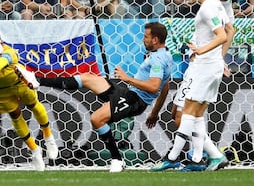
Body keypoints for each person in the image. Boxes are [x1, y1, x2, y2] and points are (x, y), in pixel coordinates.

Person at [16, 22, 173, 172]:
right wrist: (154, 113)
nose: (143, 39)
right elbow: (164, 87)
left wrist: (127, 78)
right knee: (87, 78)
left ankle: (117, 159)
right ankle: (37, 79)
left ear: (155, 39)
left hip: (135, 100)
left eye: (146, 37)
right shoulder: (166, 55)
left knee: (96, 119)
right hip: (129, 94)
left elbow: (153, 86)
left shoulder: (157, 59)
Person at [152, 0, 228, 172]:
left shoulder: (207, 8)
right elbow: (230, 31)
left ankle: (173, 156)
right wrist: (220, 59)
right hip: (212, 66)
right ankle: (197, 159)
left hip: (204, 66)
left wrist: (201, 50)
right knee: (196, 114)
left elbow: (222, 35)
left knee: (187, 111)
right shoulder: (217, 5)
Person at [0, 28, 58, 171]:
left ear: (0, 42)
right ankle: (35, 151)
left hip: (19, 83)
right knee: (15, 115)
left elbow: (2, 62)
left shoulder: (9, 52)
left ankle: (49, 137)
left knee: (33, 105)